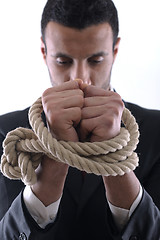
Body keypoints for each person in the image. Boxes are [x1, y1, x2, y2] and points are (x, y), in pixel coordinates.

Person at [0, 0, 160, 239]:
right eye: (63, 61)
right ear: (44, 53)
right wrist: (53, 157)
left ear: (115, 51)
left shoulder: (157, 132)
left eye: (95, 60)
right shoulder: (6, 135)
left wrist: (113, 153)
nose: (80, 78)